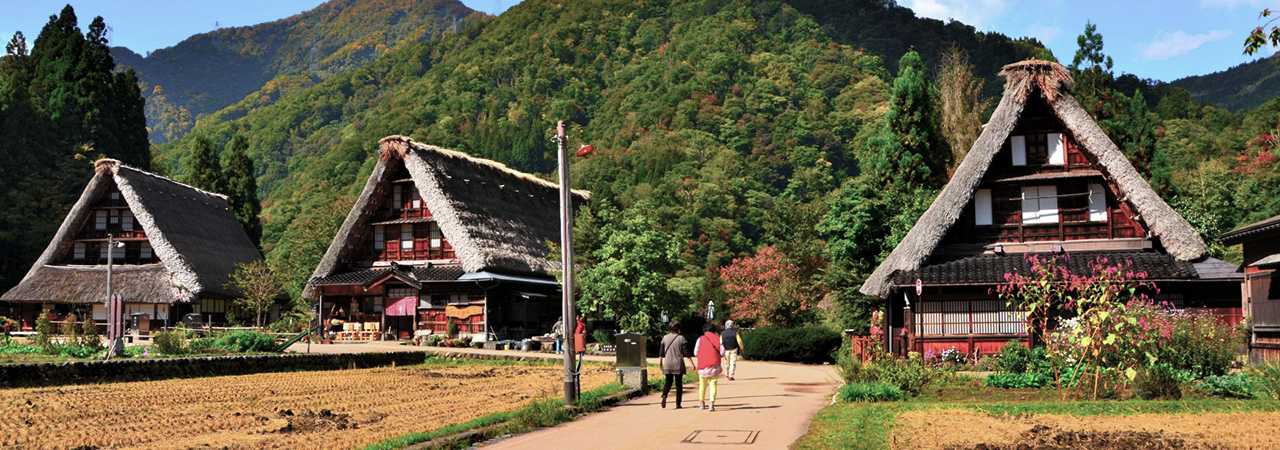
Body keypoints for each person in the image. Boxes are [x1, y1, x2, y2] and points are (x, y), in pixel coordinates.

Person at [658, 320, 694, 409]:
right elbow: (686, 352)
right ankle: (678, 404)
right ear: (678, 329)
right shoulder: (681, 338)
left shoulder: (664, 338)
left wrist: (660, 361)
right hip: (678, 363)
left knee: (668, 382)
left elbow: (661, 352)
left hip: (668, 363)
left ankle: (664, 395)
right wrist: (692, 363)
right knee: (679, 384)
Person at [693, 322, 724, 411]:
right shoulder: (718, 339)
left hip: (703, 365)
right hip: (714, 365)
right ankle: (711, 404)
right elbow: (722, 352)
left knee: (702, 385)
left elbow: (695, 352)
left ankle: (702, 402)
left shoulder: (700, 339)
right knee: (713, 384)